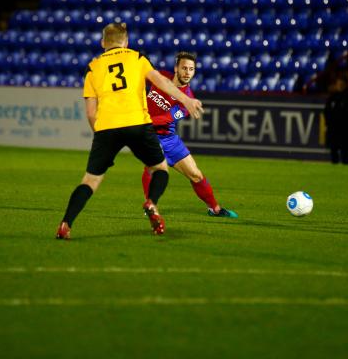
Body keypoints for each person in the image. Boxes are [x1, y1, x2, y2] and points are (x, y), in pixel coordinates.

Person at [56, 23, 204, 240]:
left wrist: (100, 135)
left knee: (90, 181)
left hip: (107, 128)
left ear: (102, 43)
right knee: (160, 168)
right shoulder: (137, 58)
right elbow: (161, 81)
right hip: (138, 124)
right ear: (125, 42)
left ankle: (65, 224)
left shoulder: (93, 67)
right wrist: (186, 99)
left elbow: (90, 112)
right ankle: (152, 203)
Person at [141, 51, 238, 218]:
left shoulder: (188, 100)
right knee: (153, 168)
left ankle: (214, 209)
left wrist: (142, 118)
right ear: (176, 68)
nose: (187, 72)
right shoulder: (161, 77)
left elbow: (165, 119)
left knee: (196, 174)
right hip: (150, 136)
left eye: (191, 69)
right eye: (184, 68)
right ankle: (151, 207)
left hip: (169, 139)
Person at [324, 74, 348, 164]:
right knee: (333, 148)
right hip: (333, 128)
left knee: (344, 150)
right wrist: (327, 124)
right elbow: (326, 111)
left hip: (344, 129)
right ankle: (334, 164)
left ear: (345, 85)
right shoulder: (332, 98)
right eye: (339, 84)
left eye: (342, 84)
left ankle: (345, 164)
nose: (340, 86)